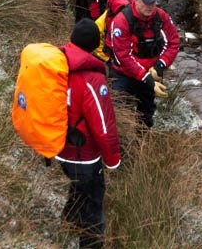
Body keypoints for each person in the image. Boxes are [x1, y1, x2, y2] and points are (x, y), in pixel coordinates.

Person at [56, 18, 121, 248]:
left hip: (58, 144)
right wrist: (113, 159)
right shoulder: (92, 77)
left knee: (77, 188)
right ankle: (90, 244)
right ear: (95, 45)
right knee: (93, 204)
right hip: (83, 154)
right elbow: (103, 126)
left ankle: (68, 222)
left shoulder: (58, 63)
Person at [110, 0, 180, 128]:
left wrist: (161, 65)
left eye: (153, 2)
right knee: (121, 113)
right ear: (136, 0)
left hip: (150, 73)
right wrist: (146, 78)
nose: (150, 6)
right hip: (125, 75)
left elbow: (173, 42)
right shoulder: (122, 20)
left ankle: (143, 140)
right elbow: (123, 56)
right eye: (146, 3)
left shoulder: (161, 17)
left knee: (146, 116)